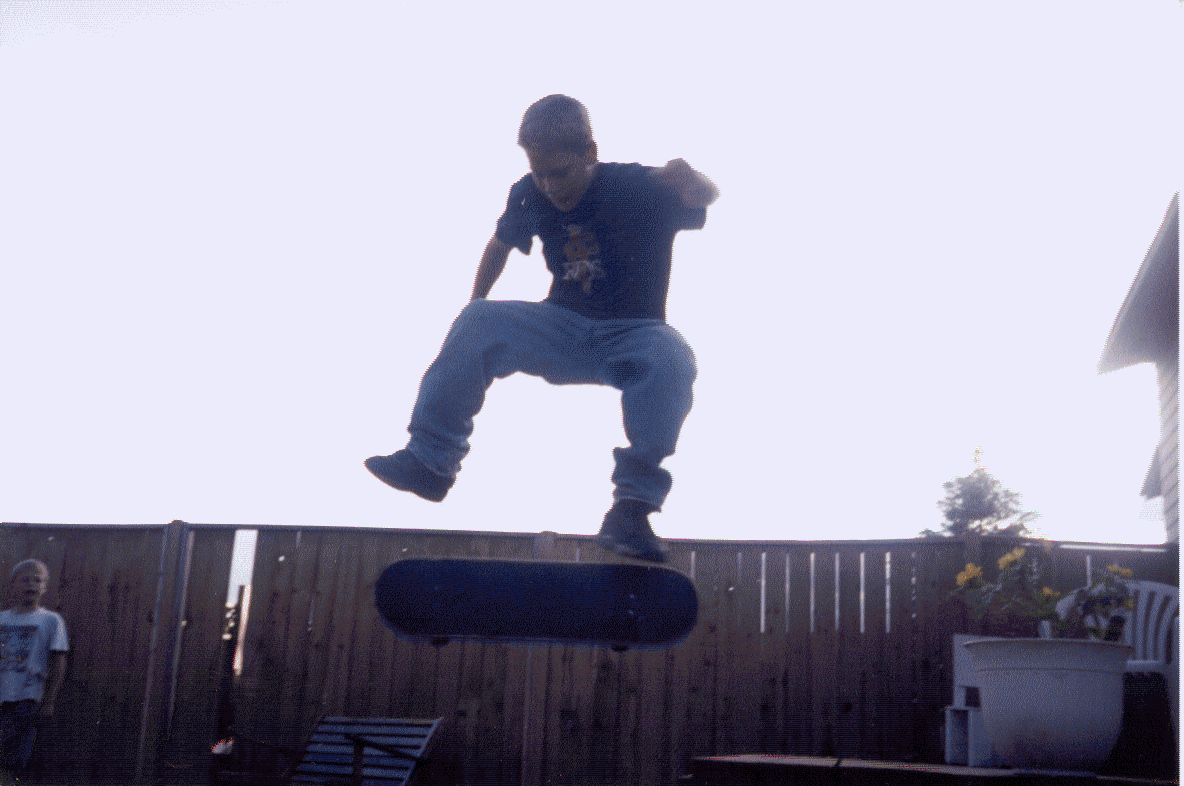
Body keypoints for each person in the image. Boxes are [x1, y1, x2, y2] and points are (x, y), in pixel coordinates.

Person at [366, 94, 718, 562]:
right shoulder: (527, 193)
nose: (551, 187)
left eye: (561, 173)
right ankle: (431, 462)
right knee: (478, 319)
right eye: (540, 174)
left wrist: (695, 180)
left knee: (672, 355)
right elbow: (499, 246)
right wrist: (474, 307)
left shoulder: (637, 184)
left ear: (590, 153)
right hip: (562, 328)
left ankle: (632, 509)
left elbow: (704, 197)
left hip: (632, 334)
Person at [0, 560, 67, 782]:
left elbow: (58, 662)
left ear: (45, 587)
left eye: (37, 580)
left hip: (27, 699)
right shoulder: (2, 619)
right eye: (25, 580)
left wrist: (49, 700)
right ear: (13, 585)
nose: (31, 584)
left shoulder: (51, 620)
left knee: (14, 758)